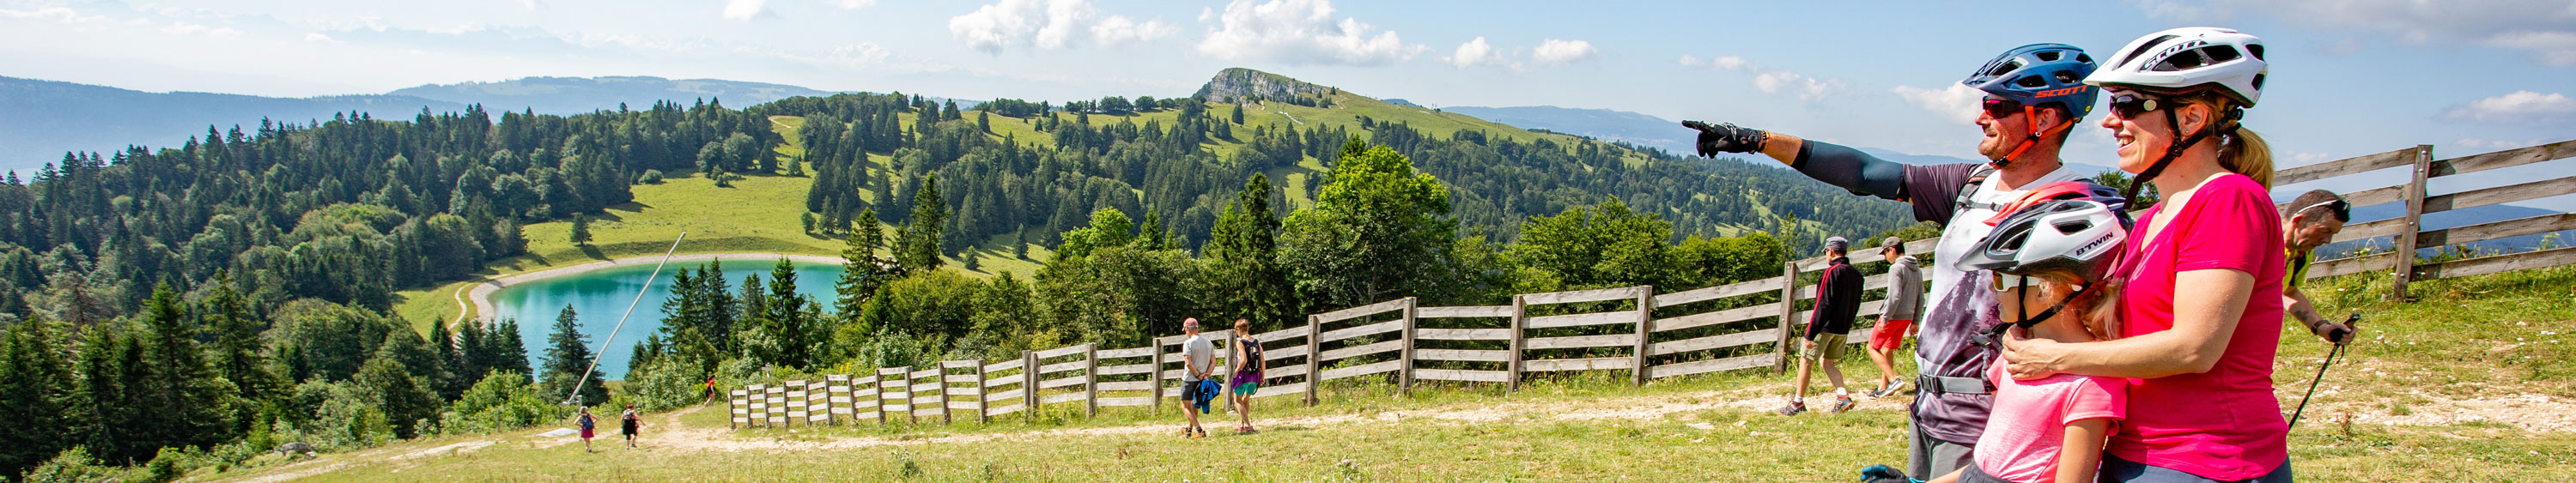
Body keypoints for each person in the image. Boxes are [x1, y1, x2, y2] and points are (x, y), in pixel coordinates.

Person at [1689, 43, 2103, 476]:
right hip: (1928, 401)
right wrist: (1758, 141)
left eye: (1998, 106)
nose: (1981, 116)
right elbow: (1866, 173)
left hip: (1989, 410)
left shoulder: (2077, 211)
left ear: (2048, 118)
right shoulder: (1973, 184)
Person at [2000, 27, 2294, 482]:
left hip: (2205, 458)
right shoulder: (2154, 217)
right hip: (2136, 449)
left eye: (2128, 105)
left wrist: (2055, 360)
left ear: (2192, 118)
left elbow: (2194, 348)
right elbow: (2121, 334)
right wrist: (2031, 335)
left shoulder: (2227, 200)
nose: (2109, 120)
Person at [1932, 188, 2133, 483]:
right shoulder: (2016, 355)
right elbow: (1986, 466)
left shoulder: (2091, 386)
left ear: (2044, 289)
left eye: (1999, 278)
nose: (1991, 288)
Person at [1781, 237, 1862, 416]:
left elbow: (1822, 304)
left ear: (1831, 251)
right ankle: (1843, 396)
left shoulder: (1831, 272)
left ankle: (1797, 403)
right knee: (1827, 362)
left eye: (1826, 252)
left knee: (1806, 360)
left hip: (1825, 327)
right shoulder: (1857, 275)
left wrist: (1810, 333)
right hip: (1843, 328)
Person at [2281, 190, 2360, 345]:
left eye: (2333, 234)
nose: (2327, 240)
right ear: (2299, 221)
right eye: (2325, 230)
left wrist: (2322, 327)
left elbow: (2287, 290)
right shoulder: (2256, 244)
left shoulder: (2302, 251)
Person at [1866, 236, 1923, 398]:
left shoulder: (1896, 268)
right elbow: (1921, 297)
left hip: (1893, 316)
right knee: (1887, 349)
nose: (1885, 258)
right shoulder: (1916, 269)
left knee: (1872, 348)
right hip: (1907, 317)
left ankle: (1894, 380)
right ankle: (1884, 387)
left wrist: (1885, 317)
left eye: (1885, 253)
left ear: (1892, 250)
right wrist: (1915, 321)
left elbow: (1894, 296)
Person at [1179, 317, 1218, 439]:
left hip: (1190, 378)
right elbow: (1213, 362)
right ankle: (1189, 430)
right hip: (1202, 380)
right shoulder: (1208, 342)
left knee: (1185, 406)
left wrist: (1197, 375)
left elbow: (1188, 363)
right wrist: (1206, 375)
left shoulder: (1188, 343)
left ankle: (1199, 430)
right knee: (1194, 405)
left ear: (1187, 329)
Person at [1227, 318, 1265, 434]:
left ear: (1239, 329)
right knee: (1245, 400)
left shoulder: (1240, 342)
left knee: (1237, 400)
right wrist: (1262, 376)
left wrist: (1236, 371)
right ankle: (1242, 425)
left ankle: (1248, 426)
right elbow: (1263, 361)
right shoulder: (1256, 342)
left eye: (1236, 329)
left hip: (1244, 375)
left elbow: (1243, 359)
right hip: (1255, 376)